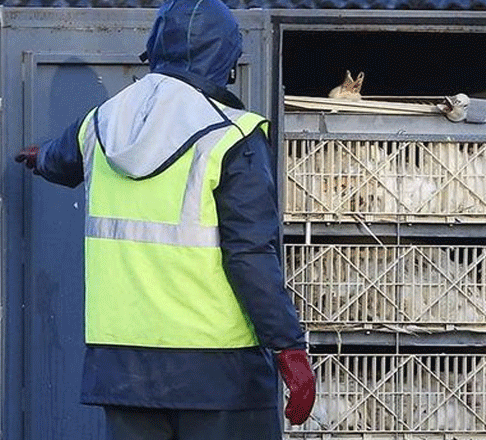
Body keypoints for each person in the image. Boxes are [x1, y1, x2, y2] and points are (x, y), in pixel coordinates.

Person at [14, 0, 315, 438]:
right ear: (227, 60)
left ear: (154, 48)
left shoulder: (101, 123)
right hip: (219, 373)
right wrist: (290, 348)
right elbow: (250, 254)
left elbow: (61, 158)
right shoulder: (232, 136)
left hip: (123, 372)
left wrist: (38, 157)